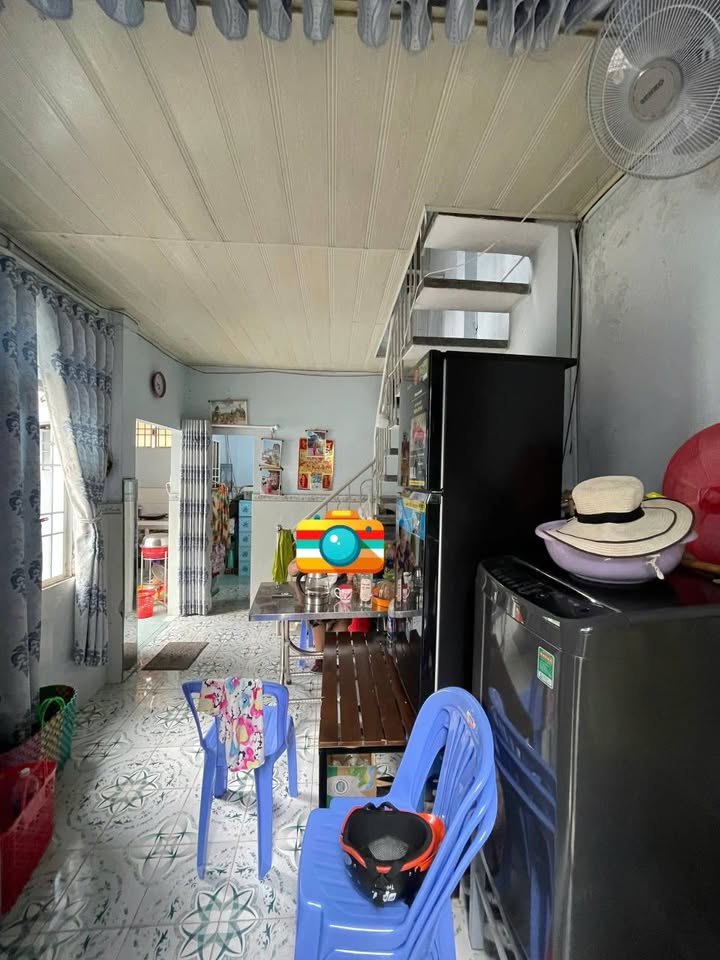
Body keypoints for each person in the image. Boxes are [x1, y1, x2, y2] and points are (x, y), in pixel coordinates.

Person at [287, 558, 350, 672]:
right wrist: (301, 563)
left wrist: (349, 574)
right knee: (316, 618)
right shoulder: (312, 551)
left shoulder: (342, 552)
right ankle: (320, 658)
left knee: (345, 619)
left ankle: (328, 652)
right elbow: (291, 570)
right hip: (315, 593)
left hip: (338, 591)